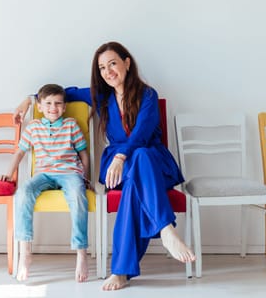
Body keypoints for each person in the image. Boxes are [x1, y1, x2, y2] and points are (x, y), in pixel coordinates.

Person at [14, 42, 195, 290]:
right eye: (102, 68)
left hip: (152, 163)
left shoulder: (148, 95)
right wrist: (30, 99)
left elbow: (141, 134)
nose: (108, 71)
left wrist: (121, 157)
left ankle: (122, 270)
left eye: (112, 63)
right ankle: (165, 229)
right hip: (118, 168)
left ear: (127, 63)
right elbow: (64, 94)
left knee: (139, 163)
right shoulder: (102, 95)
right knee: (135, 173)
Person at [0, 84, 90, 283]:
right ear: (39, 106)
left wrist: (86, 177)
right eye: (48, 103)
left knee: (77, 195)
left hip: (69, 173)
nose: (53, 108)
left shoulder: (71, 125)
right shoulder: (34, 127)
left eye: (58, 104)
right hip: (44, 174)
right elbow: (20, 152)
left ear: (64, 107)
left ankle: (81, 253)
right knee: (23, 192)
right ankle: (25, 253)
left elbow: (83, 153)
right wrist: (8, 173)